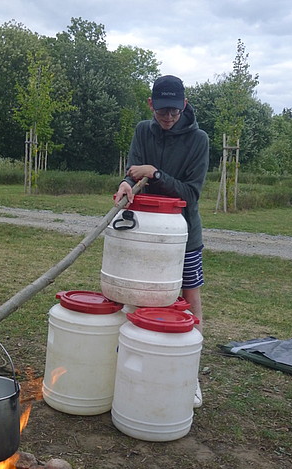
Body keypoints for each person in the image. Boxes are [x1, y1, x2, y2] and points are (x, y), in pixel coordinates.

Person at [114, 74, 209, 406]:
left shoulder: (199, 140)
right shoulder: (143, 130)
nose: (168, 118)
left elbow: (191, 194)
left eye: (174, 111)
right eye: (162, 111)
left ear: (184, 104)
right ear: (151, 105)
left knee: (189, 297)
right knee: (136, 291)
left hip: (184, 233)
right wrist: (128, 181)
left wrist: (154, 174)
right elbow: (132, 169)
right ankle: (132, 364)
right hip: (143, 228)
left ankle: (189, 375)